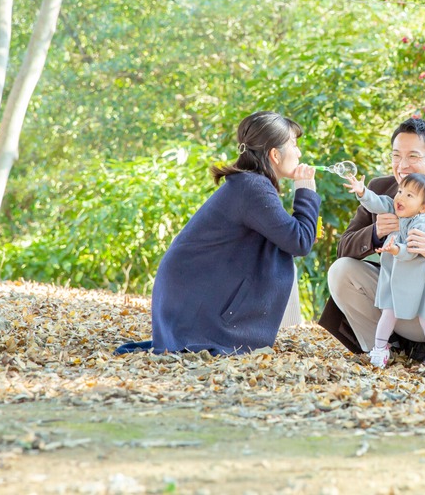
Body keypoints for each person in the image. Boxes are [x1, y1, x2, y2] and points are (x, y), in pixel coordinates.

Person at [116, 111, 319, 356]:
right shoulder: (253, 187)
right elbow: (300, 242)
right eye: (294, 145)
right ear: (275, 154)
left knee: (280, 250)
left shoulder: (249, 184)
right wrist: (306, 189)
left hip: (187, 299)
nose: (298, 153)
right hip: (191, 306)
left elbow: (290, 238)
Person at [318, 118, 425, 367]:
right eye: (396, 155)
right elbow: (343, 248)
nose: (402, 165)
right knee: (341, 270)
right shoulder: (380, 189)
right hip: (394, 301)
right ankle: (381, 349)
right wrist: (374, 232)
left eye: (413, 156)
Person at [346, 171, 425, 368]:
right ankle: (380, 349)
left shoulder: (422, 223)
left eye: (410, 195)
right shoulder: (395, 208)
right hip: (395, 279)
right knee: (388, 313)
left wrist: (395, 249)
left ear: (424, 207)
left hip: (419, 282)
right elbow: (378, 203)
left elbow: (411, 250)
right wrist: (362, 191)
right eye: (400, 191)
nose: (400, 197)